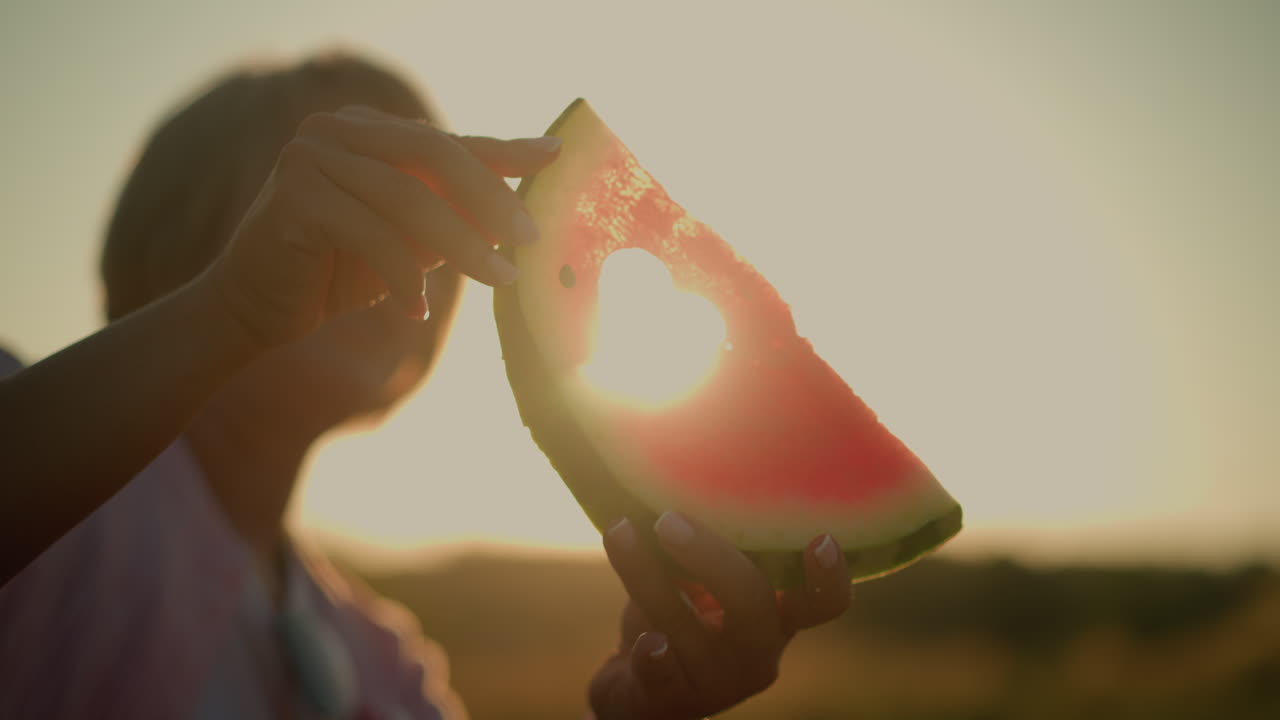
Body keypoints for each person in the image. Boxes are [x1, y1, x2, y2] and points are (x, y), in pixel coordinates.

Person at [0, 52, 851, 719]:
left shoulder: (384, 662)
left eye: (434, 209)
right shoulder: (47, 489)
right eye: (356, 193)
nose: (411, 252)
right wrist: (230, 312)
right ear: (172, 248)